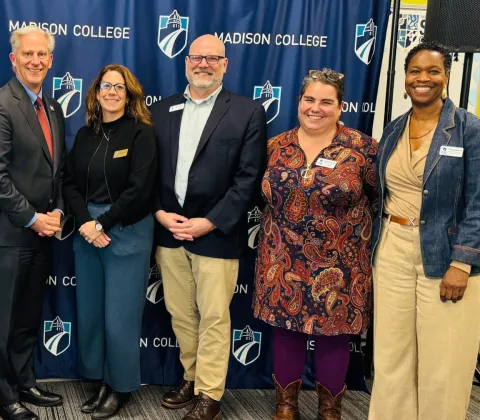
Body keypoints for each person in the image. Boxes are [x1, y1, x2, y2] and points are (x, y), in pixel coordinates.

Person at [152, 34, 267, 420]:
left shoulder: (247, 112)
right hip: (169, 230)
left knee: (215, 316)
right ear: (186, 62)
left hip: (216, 233)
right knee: (181, 313)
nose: (203, 64)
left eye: (212, 58)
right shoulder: (162, 109)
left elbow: (248, 179)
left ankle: (210, 393)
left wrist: (210, 221)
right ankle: (191, 375)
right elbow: (147, 173)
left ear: (225, 64)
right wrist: (158, 212)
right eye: (197, 58)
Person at [252, 69, 378, 420]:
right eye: (309, 100)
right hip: (281, 257)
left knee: (334, 336)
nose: (316, 108)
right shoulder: (275, 146)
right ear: (298, 102)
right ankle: (286, 407)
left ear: (341, 107)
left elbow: (379, 198)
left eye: (326, 102)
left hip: (342, 262)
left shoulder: (363, 149)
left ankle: (330, 411)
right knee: (285, 331)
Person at [369, 41, 480, 420]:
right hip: (392, 249)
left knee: (444, 360)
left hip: (445, 254)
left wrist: (462, 263)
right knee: (391, 355)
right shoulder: (394, 128)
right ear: (404, 79)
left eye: (433, 71)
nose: (423, 78)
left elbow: (479, 201)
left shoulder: (469, 129)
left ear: (446, 77)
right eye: (415, 71)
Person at [0, 25, 65, 420]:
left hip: (42, 233)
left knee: (28, 317)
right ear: (13, 59)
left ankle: (24, 380)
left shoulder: (54, 108)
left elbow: (56, 174)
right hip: (5, 235)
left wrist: (58, 212)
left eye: (42, 54)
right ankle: (1, 394)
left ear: (50, 60)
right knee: (0, 321)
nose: (35, 61)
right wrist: (32, 218)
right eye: (27, 54)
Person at [62, 64, 157, 419]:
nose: (112, 92)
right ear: (96, 92)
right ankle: (100, 378)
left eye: (120, 87)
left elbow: (140, 189)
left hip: (126, 230)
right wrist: (87, 222)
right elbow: (68, 183)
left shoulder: (141, 134)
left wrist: (103, 223)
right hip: (87, 230)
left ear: (129, 94)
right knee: (90, 313)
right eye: (106, 86)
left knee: (120, 317)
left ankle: (121, 386)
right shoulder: (86, 134)